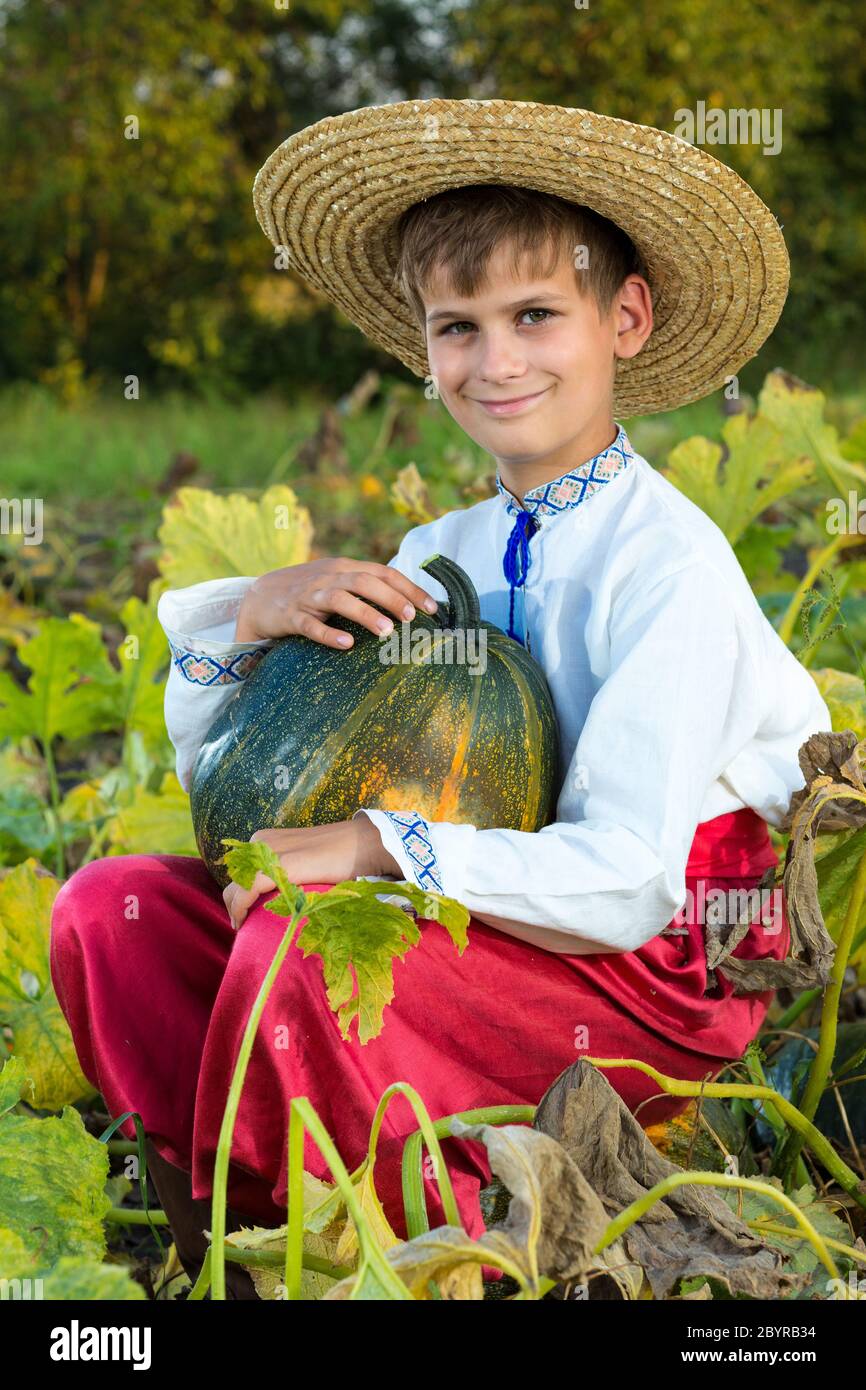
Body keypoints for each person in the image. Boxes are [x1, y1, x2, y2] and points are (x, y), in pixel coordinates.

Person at [50, 97, 831, 1294]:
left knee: (303, 958)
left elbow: (625, 876)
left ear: (623, 318)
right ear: (424, 349)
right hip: (477, 917)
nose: (495, 360)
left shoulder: (666, 567)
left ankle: (402, 1235)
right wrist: (247, 617)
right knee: (108, 911)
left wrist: (378, 842)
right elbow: (242, 798)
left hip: (655, 961)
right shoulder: (437, 550)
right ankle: (230, 1212)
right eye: (456, 327)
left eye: (533, 316)